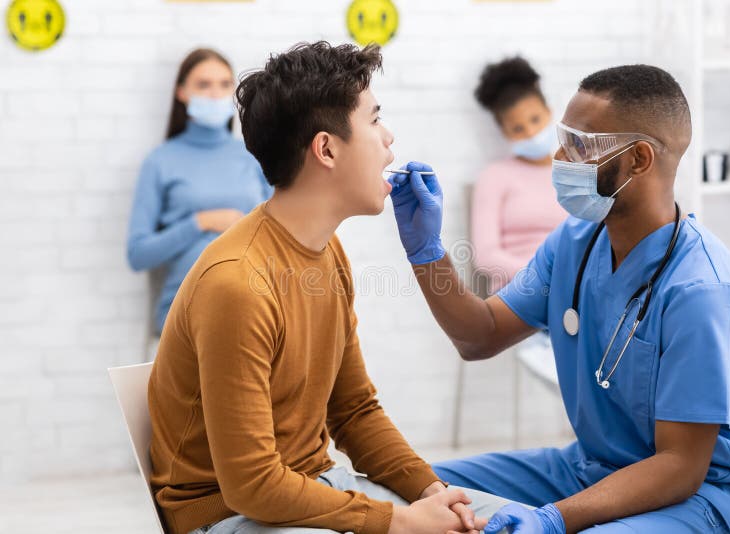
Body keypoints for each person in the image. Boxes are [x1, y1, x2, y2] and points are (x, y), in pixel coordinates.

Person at [387, 65, 730, 533]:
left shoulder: (707, 291)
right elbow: (479, 336)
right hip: (594, 467)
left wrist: (553, 519)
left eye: (580, 144)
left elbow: (681, 465)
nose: (560, 157)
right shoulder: (576, 242)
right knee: (420, 491)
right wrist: (426, 251)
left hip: (707, 492)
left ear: (639, 158)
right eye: (565, 138)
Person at [147, 41, 510, 534]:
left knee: (503, 524)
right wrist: (396, 522)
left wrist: (431, 492)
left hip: (316, 485)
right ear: (326, 149)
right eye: (374, 119)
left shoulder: (328, 252)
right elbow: (250, 484)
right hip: (229, 516)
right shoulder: (236, 284)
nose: (389, 138)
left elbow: (355, 411)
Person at [127, 48, 273, 336]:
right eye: (203, 85)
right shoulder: (160, 161)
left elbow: (283, 231)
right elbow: (138, 254)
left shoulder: (255, 156)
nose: (215, 94)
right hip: (185, 313)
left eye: (224, 84)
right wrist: (201, 222)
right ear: (182, 92)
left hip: (257, 304)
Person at [471, 57, 565, 293]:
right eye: (518, 128)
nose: (531, 133)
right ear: (504, 132)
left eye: (535, 119)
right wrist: (543, 275)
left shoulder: (576, 171)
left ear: (549, 112)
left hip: (572, 294)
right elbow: (486, 256)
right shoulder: (494, 177)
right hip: (518, 297)